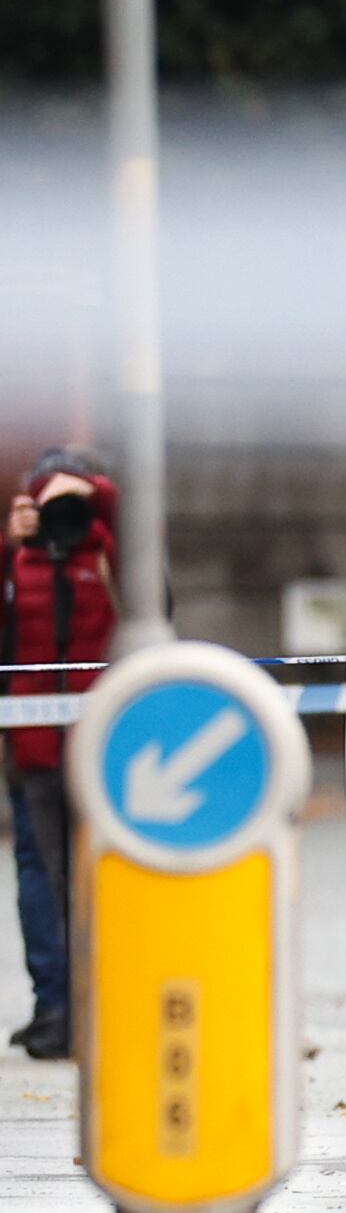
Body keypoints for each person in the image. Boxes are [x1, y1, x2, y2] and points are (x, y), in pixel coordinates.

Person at [1, 453, 119, 1060]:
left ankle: (104, 1001)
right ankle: (54, 1005)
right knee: (40, 878)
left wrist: (93, 495)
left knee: (107, 875)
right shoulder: (15, 558)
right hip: (34, 747)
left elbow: (157, 594)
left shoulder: (107, 551)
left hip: (105, 745)